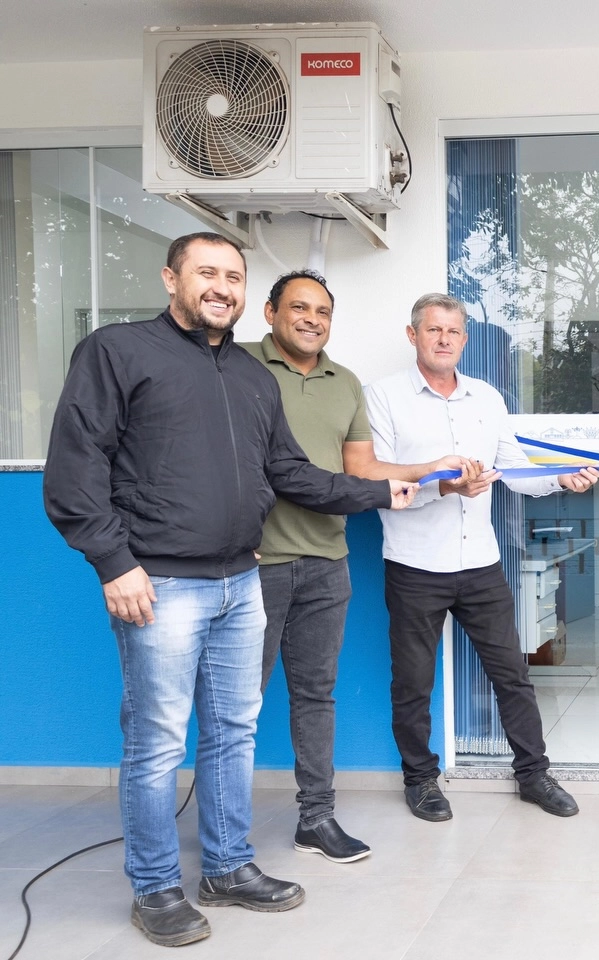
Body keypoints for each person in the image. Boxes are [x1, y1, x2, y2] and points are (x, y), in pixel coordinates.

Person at [42, 233, 415, 948]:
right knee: (156, 743)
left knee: (232, 733)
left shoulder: (250, 376)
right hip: (159, 584)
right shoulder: (117, 352)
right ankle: (156, 887)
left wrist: (379, 492)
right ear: (171, 279)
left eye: (234, 276)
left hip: (242, 582)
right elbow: (76, 465)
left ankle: (227, 866)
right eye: (206, 273)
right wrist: (114, 562)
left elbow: (289, 472)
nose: (222, 287)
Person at [242, 270, 479, 864]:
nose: (311, 319)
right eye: (299, 307)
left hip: (327, 559)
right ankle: (226, 841)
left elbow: (362, 471)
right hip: (254, 563)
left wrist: (434, 469)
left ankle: (316, 819)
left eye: (322, 311)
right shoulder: (236, 367)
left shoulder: (344, 382)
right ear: (270, 312)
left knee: (316, 696)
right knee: (238, 704)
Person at [364, 293, 599, 822]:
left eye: (453, 332)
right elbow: (380, 478)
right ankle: (420, 781)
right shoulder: (382, 396)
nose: (444, 340)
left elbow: (514, 471)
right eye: (433, 330)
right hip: (415, 565)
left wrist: (561, 478)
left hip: (480, 564)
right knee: (413, 683)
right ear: (413, 335)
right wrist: (443, 487)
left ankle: (533, 775)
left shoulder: (487, 399)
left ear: (465, 340)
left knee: (512, 674)